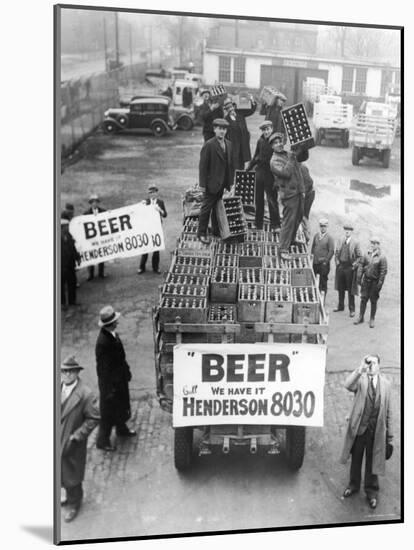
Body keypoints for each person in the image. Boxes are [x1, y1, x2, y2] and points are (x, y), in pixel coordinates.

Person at [340, 354, 393, 510]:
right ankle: (353, 485)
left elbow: (388, 412)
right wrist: (360, 369)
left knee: (373, 462)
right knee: (356, 460)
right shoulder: (361, 381)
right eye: (369, 362)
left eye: (373, 363)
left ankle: (372, 491)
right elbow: (347, 385)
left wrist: (390, 438)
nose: (371, 366)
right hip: (359, 430)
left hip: (376, 432)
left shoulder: (386, 384)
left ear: (379, 366)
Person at [61, 355, 100, 522]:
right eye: (64, 371)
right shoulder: (58, 387)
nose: (67, 375)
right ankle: (69, 497)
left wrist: (77, 437)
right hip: (57, 439)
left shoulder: (85, 394)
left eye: (71, 371)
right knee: (60, 471)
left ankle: (74, 503)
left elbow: (94, 418)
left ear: (77, 372)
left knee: (73, 474)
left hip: (72, 442)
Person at [95, 305, 136, 451]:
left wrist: (126, 371)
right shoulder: (103, 343)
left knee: (121, 407)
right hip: (111, 385)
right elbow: (104, 370)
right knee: (108, 414)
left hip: (119, 379)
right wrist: (109, 390)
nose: (117, 323)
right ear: (110, 324)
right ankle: (102, 440)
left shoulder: (112, 335)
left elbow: (120, 357)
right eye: (115, 321)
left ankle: (121, 428)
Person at [197, 118, 235, 244]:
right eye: (219, 129)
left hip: (223, 183)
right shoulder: (209, 145)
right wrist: (202, 185)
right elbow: (203, 167)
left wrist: (230, 182)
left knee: (217, 207)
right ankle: (201, 233)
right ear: (214, 130)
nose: (222, 132)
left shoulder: (229, 144)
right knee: (206, 208)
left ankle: (215, 230)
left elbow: (230, 165)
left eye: (224, 129)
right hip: (211, 183)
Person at [269, 132, 305, 259]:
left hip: (299, 192)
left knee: (298, 217)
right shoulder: (274, 161)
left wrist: (302, 147)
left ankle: (291, 240)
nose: (279, 144)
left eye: (280, 141)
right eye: (275, 143)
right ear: (272, 147)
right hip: (289, 195)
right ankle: (283, 249)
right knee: (288, 221)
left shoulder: (288, 154)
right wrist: (292, 157)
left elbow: (302, 158)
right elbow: (286, 173)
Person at [247, 120, 280, 231]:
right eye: (264, 130)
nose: (266, 132)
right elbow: (256, 156)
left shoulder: (276, 142)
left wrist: (278, 178)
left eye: (268, 129)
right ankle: (258, 223)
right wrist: (248, 168)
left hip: (271, 174)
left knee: (272, 200)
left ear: (271, 129)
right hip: (260, 173)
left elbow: (280, 160)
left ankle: (275, 225)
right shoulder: (260, 141)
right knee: (259, 200)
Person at [354, 237, 388, 328]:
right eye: (371, 243)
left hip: (374, 283)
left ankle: (372, 319)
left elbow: (383, 271)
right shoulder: (366, 254)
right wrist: (359, 277)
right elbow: (361, 265)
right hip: (366, 281)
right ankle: (361, 317)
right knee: (363, 299)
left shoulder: (382, 257)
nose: (372, 245)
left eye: (375, 243)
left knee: (373, 301)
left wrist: (379, 284)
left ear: (378, 245)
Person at [138, 185, 167, 274]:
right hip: (147, 228)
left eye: (154, 192)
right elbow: (139, 213)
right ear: (149, 194)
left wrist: (160, 210)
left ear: (156, 193)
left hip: (157, 228)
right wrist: (140, 206)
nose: (152, 194)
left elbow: (165, 215)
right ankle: (141, 267)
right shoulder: (145, 202)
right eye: (150, 192)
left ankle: (156, 268)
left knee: (156, 248)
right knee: (145, 248)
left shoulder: (160, 202)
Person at [334, 222, 361, 317]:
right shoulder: (340, 240)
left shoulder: (355, 242)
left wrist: (354, 265)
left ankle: (352, 309)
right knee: (340, 288)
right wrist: (337, 262)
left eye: (349, 231)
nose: (347, 232)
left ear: (351, 232)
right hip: (341, 267)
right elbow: (336, 252)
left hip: (350, 268)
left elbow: (359, 256)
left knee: (350, 290)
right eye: (346, 230)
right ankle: (340, 306)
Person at [222, 97, 252, 170]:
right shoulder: (226, 120)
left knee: (242, 163)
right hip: (234, 144)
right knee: (234, 164)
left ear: (234, 107)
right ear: (226, 110)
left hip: (243, 143)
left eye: (231, 107)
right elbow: (225, 135)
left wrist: (252, 102)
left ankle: (240, 175)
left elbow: (251, 111)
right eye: (228, 108)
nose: (230, 109)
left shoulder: (240, 116)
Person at [311, 218, 335, 304]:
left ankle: (322, 302)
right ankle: (314, 299)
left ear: (327, 227)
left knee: (323, 283)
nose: (323, 228)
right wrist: (312, 259)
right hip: (315, 263)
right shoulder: (316, 236)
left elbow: (331, 251)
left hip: (323, 265)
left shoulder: (329, 238)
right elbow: (313, 248)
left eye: (324, 226)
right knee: (314, 282)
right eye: (321, 226)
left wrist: (325, 261)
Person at [84, 194, 106, 281]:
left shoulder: (103, 211)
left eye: (96, 202)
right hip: (91, 239)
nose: (94, 204)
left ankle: (101, 273)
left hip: (101, 237)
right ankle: (91, 274)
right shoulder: (86, 214)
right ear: (90, 203)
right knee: (91, 255)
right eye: (93, 202)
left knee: (102, 254)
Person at [61, 218, 81, 308]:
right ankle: (62, 303)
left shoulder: (69, 235)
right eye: (66, 227)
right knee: (61, 285)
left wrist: (77, 258)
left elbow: (73, 248)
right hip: (61, 266)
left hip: (70, 264)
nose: (68, 228)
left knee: (72, 283)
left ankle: (72, 301)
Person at [300, 163, 315, 244]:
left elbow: (309, 183)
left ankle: (307, 237)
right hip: (304, 193)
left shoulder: (302, 168)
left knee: (304, 216)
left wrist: (302, 194)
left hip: (309, 193)